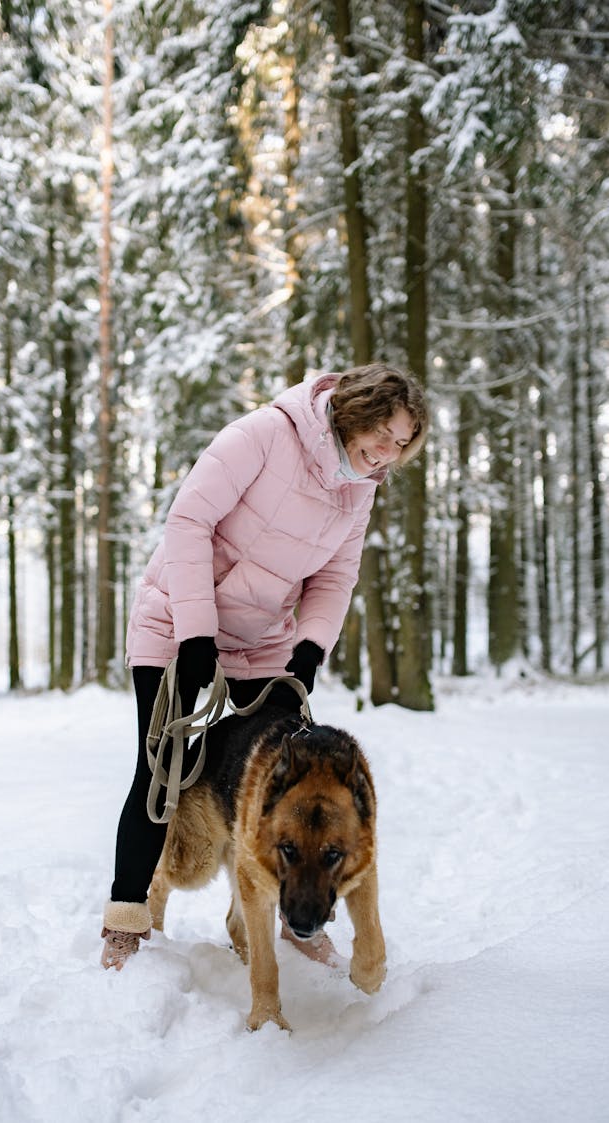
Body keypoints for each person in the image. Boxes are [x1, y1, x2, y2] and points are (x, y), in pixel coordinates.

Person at [101, 363, 429, 969]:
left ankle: (295, 920)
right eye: (384, 433)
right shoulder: (262, 434)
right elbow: (188, 522)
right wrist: (197, 633)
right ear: (353, 410)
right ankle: (127, 918)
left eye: (403, 442)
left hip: (262, 638)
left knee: (295, 772)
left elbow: (334, 576)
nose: (389, 452)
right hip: (177, 619)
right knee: (159, 769)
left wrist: (309, 651)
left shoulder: (360, 486)